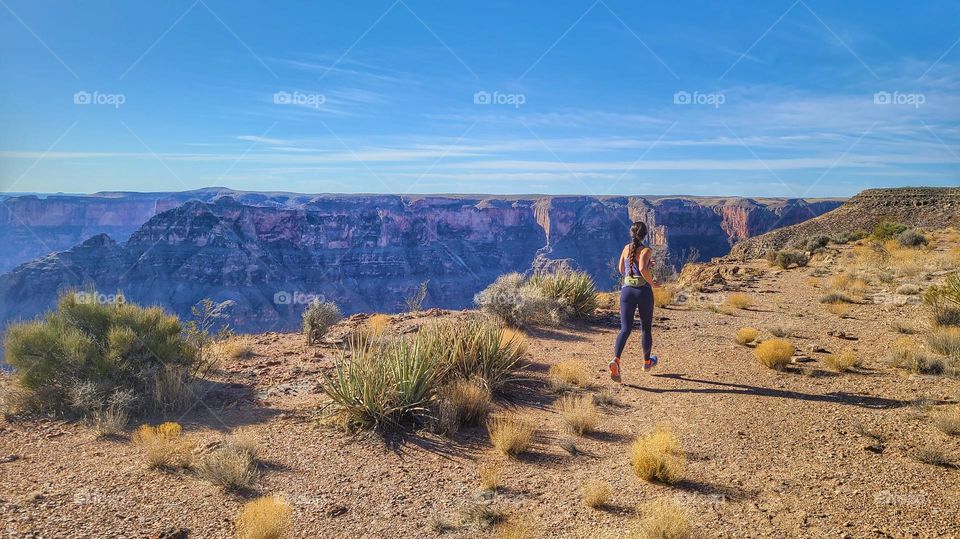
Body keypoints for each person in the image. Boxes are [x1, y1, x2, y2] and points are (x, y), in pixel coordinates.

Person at [610, 221, 660, 382]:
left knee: (625, 328)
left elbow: (622, 270)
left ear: (631, 233)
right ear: (645, 234)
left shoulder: (626, 248)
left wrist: (642, 266)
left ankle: (616, 360)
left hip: (626, 291)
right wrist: (653, 283)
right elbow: (643, 269)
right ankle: (647, 362)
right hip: (643, 292)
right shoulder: (646, 250)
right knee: (646, 328)